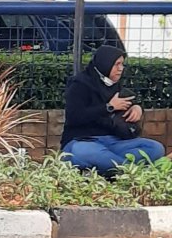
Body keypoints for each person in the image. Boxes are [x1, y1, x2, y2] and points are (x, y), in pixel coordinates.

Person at [60, 44, 166, 176]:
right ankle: (131, 173)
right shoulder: (79, 84)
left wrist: (137, 108)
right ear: (106, 63)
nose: (121, 69)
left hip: (114, 143)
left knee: (155, 148)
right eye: (117, 64)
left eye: (122, 64)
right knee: (83, 151)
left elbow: (130, 100)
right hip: (84, 141)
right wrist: (109, 107)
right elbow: (74, 117)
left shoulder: (114, 84)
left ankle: (108, 169)